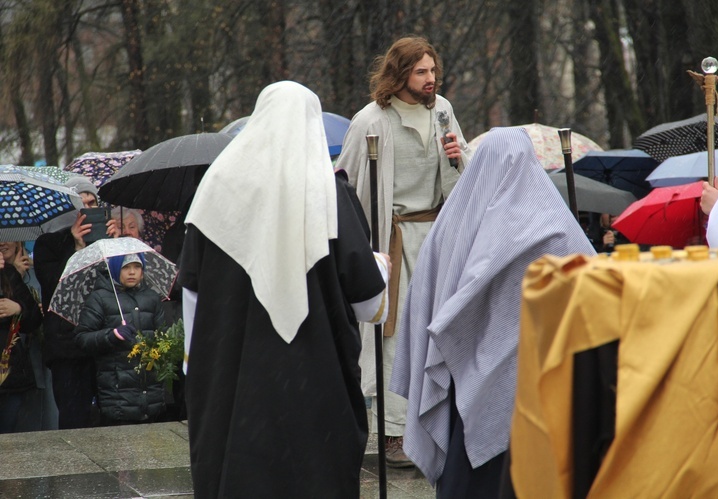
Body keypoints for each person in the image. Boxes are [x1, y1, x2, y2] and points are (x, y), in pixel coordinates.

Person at [179, 81, 390, 498]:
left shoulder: (214, 193)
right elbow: (368, 303)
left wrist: (203, 369)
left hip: (232, 391)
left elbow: (192, 300)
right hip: (316, 388)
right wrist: (379, 266)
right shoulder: (331, 195)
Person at [390, 128, 596, 497]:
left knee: (469, 479)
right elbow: (594, 287)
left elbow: (424, 299)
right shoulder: (552, 225)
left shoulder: (448, 226)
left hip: (459, 371)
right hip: (536, 383)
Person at [336, 35, 471, 468]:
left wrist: (459, 156)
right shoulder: (370, 121)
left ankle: (440, 422)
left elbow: (464, 170)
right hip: (391, 242)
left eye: (433, 71)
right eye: (421, 72)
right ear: (400, 74)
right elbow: (350, 188)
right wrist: (364, 250)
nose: (431, 79)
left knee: (438, 329)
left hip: (436, 236)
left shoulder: (443, 111)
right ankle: (393, 434)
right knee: (391, 338)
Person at [34, 176, 120, 429]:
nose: (88, 209)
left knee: (111, 415)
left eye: (92, 203)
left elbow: (125, 282)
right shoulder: (49, 243)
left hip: (105, 338)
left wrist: (114, 246)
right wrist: (77, 248)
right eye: (81, 204)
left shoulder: (108, 242)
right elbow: (53, 284)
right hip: (67, 345)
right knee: (75, 418)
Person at [74, 253, 166, 425]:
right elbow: (82, 338)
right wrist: (112, 335)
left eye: (137, 267)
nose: (132, 272)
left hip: (150, 390)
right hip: (116, 392)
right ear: (115, 269)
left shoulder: (152, 298)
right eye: (125, 267)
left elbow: (163, 335)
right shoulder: (100, 298)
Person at [0, 250, 44, 433]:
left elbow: (34, 319)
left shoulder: (9, 274)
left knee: (8, 435)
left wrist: (19, 308)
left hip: (9, 370)